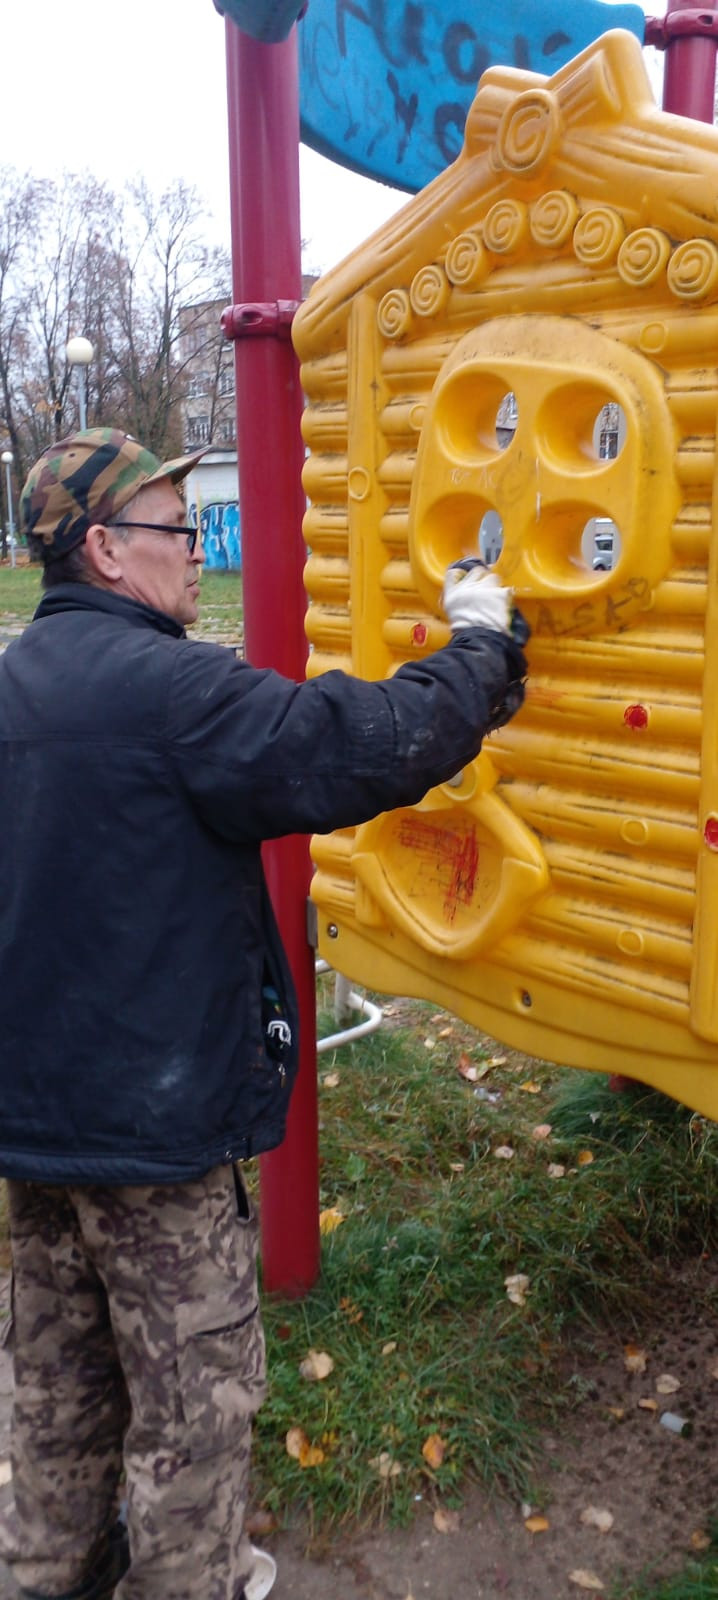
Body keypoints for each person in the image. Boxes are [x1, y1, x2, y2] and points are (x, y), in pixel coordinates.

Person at [0, 427, 528, 1600]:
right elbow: (358, 743)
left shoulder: (12, 686)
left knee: (57, 1384)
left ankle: (46, 1576)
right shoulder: (174, 692)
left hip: (32, 1131)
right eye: (177, 529)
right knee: (192, 1407)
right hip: (155, 1135)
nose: (198, 550)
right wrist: (483, 648)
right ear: (106, 548)